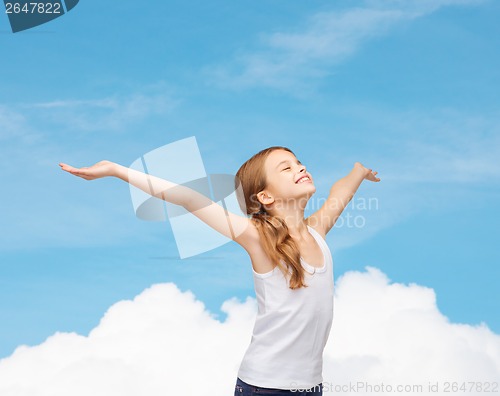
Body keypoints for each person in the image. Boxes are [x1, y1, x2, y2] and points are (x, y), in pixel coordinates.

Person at [59, 146, 380, 396]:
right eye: (287, 167)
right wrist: (117, 170)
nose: (300, 168)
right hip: (264, 387)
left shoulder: (317, 233)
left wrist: (358, 171)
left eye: (299, 163)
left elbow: (342, 192)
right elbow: (187, 198)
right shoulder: (257, 238)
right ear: (265, 197)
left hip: (311, 386)